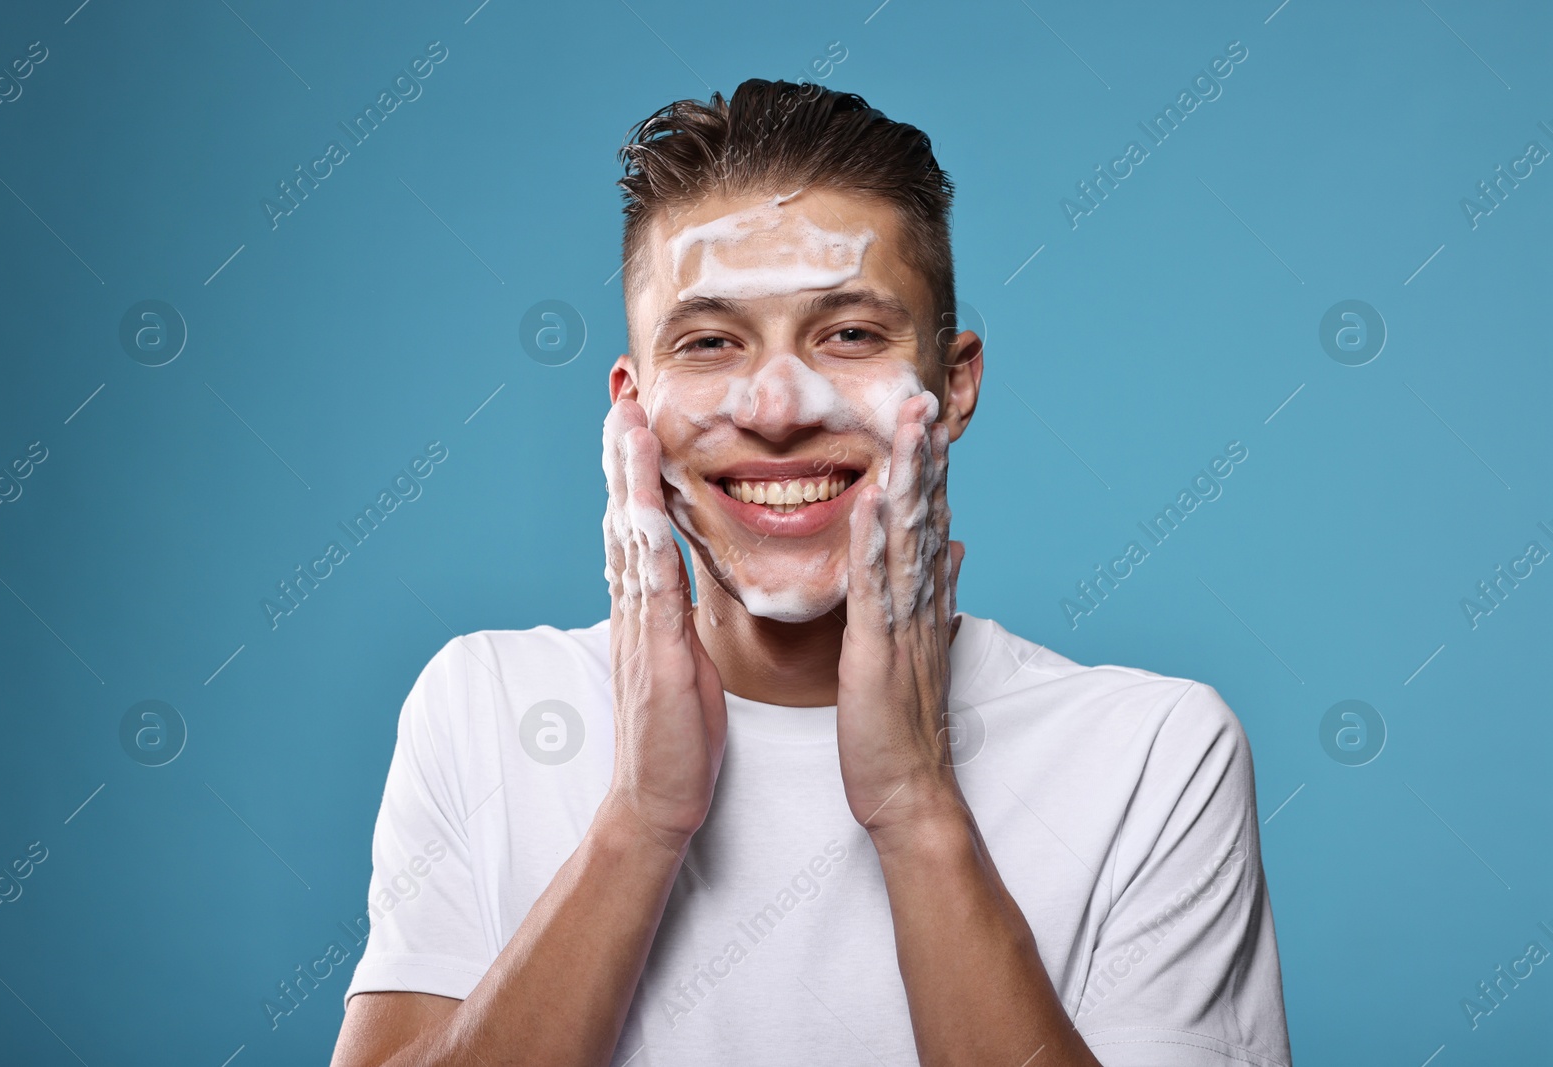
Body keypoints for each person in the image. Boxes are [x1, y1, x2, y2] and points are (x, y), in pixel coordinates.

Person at [330, 78, 1291, 1067]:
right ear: (634, 402)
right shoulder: (484, 704)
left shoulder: (1154, 755)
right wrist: (641, 820)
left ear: (952, 383)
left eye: (848, 334)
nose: (778, 405)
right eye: (707, 341)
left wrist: (916, 803)